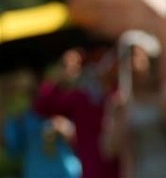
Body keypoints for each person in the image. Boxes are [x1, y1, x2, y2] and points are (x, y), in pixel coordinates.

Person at [101, 30, 166, 178]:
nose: (131, 62)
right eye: (126, 56)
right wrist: (119, 118)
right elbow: (110, 149)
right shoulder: (120, 104)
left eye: (135, 55)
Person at [33, 46, 121, 178]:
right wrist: (62, 74)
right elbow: (42, 106)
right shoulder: (81, 99)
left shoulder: (121, 97)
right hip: (93, 171)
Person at [1, 67, 82, 178]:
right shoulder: (23, 117)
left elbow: (86, 140)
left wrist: (67, 130)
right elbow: (12, 148)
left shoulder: (66, 106)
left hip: (67, 173)